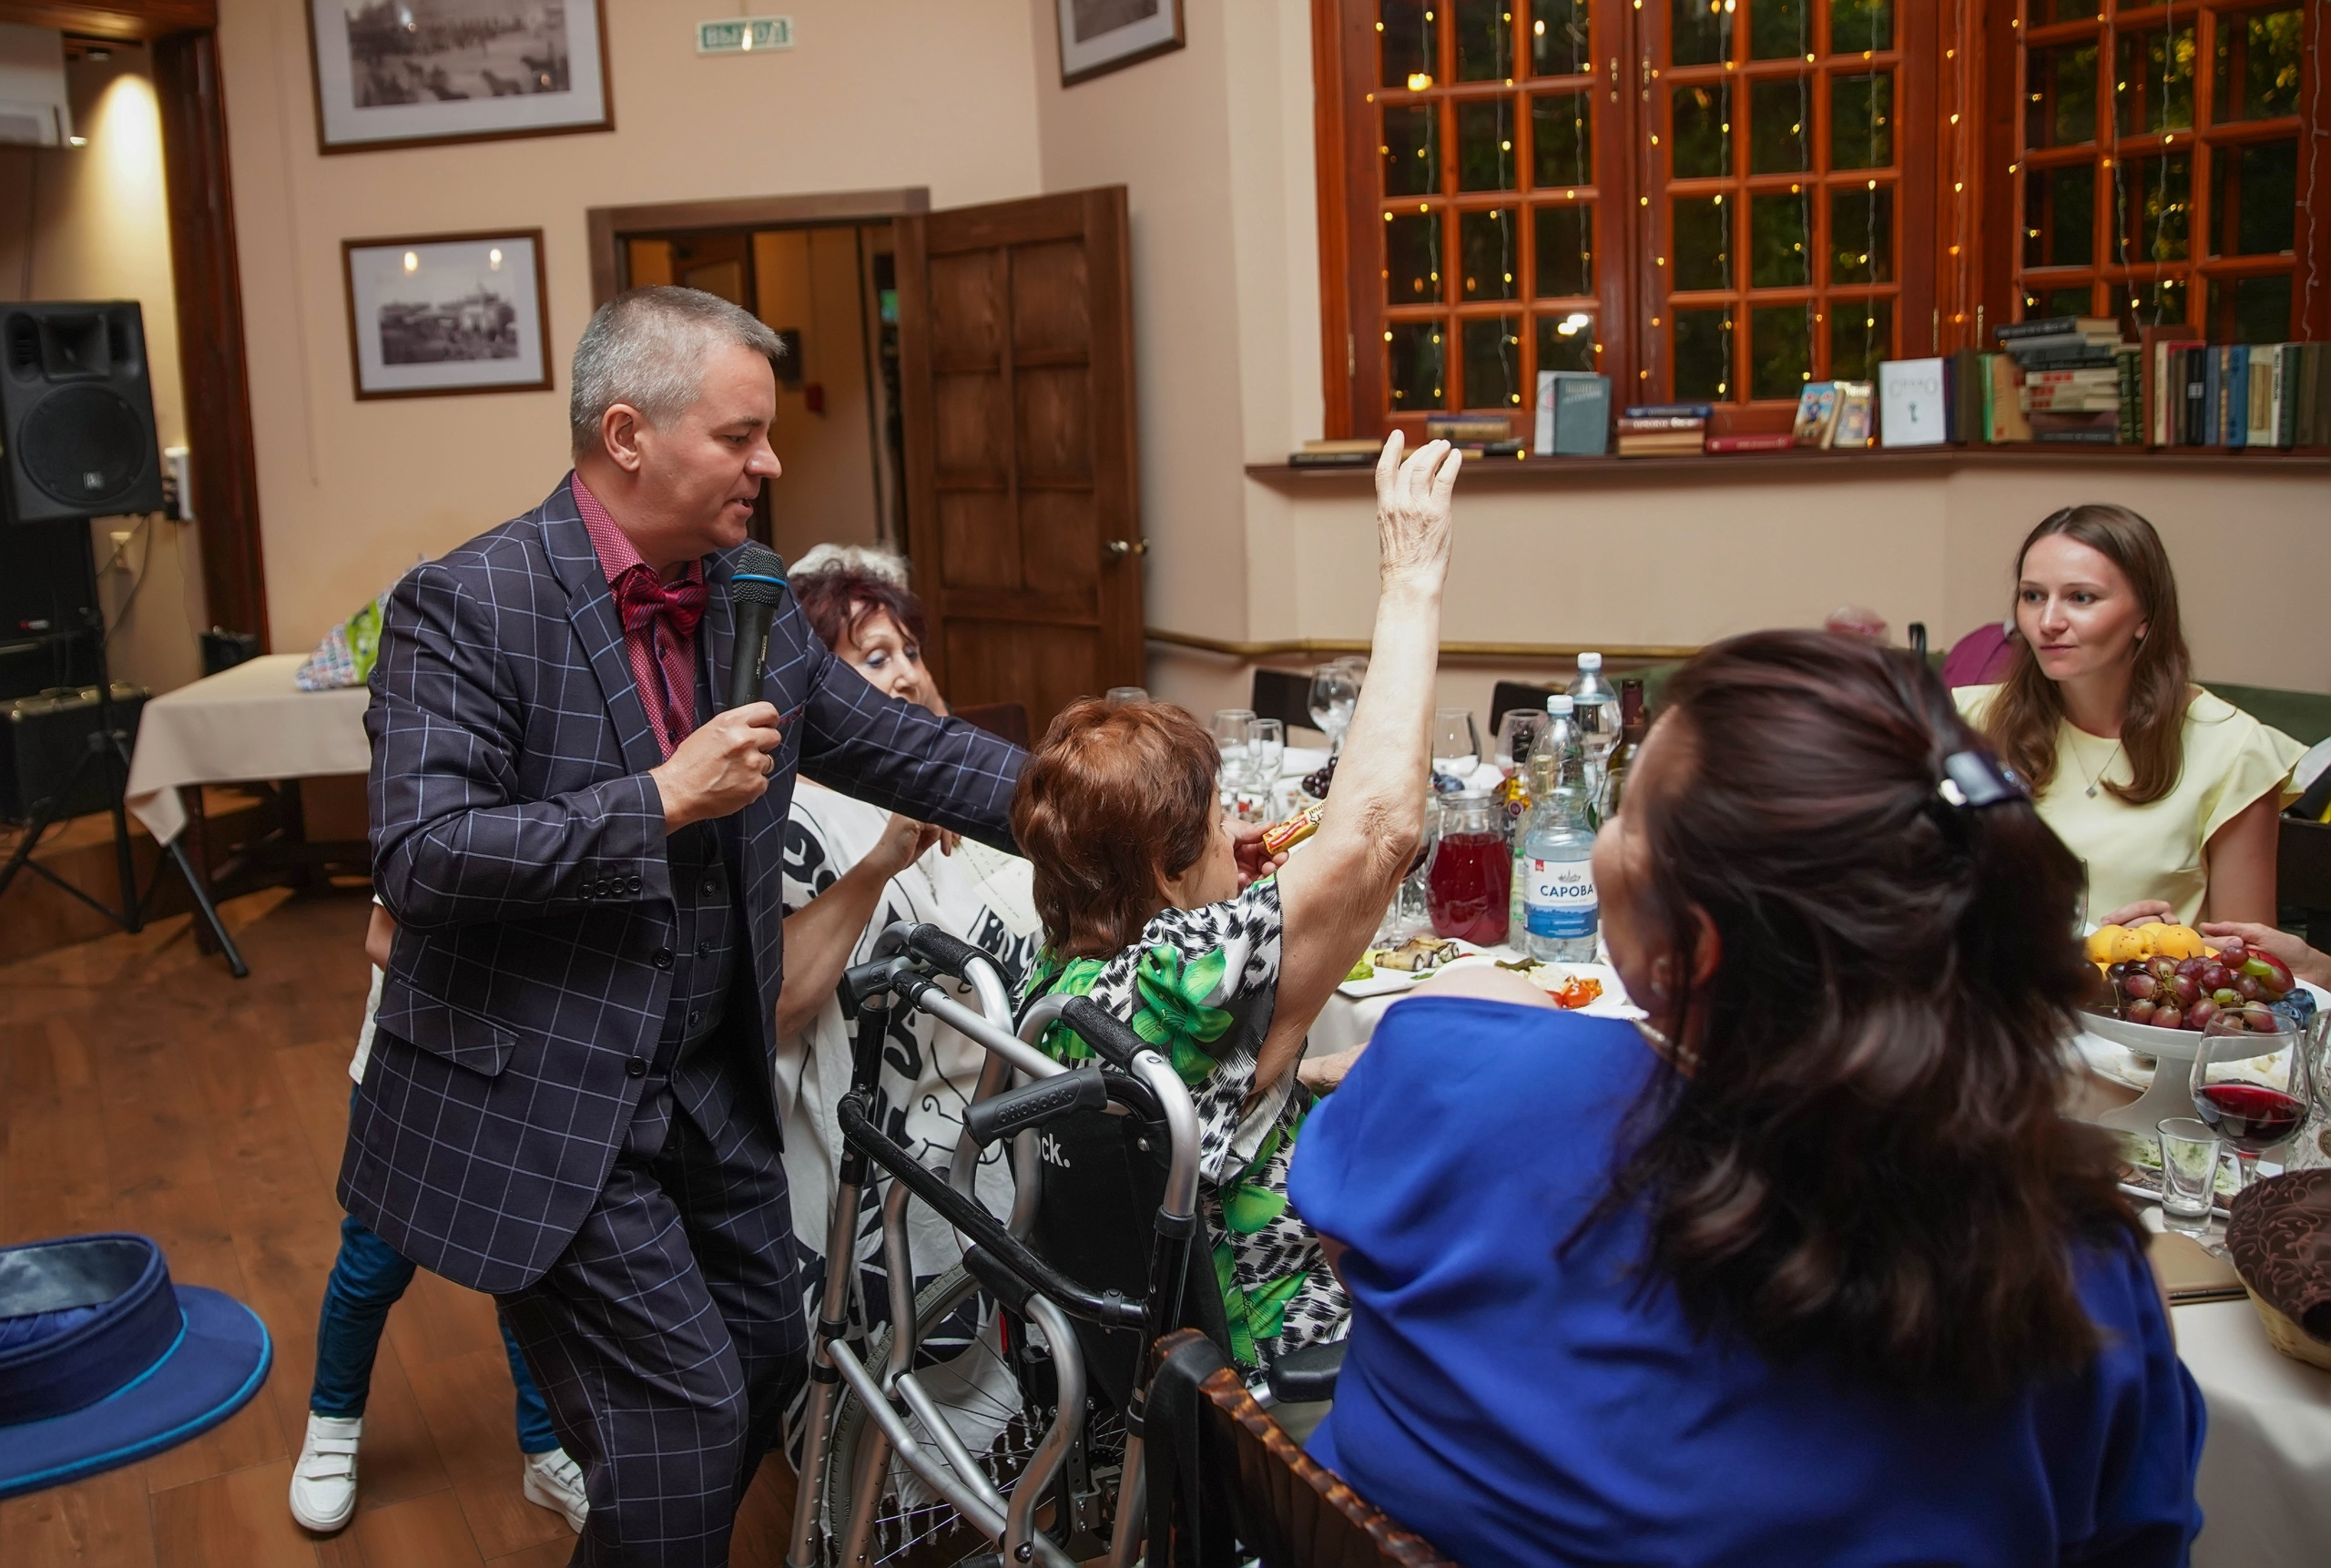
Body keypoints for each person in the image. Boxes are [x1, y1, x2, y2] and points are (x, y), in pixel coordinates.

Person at [351, 286, 1026, 1568]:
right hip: (546, 1098)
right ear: (627, 435)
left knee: (768, 1363)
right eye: (741, 436)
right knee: (684, 1422)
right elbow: (421, 855)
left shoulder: (750, 593)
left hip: (708, 1090)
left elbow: (912, 754)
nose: (772, 463)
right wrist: (659, 798)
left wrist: (1119, 810)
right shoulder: (467, 603)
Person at [1289, 630, 2204, 1567]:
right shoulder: (2077, 1268)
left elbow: (1359, 1251)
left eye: (1627, 813)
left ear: (1690, 944)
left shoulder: (1449, 1076)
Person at [1009, 433, 1460, 1370]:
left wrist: (1314, 1063)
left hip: (1156, 1345)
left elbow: (1228, 1089)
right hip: (1288, 1340)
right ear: (1168, 870)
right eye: (1218, 823)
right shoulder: (1182, 980)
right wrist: (1409, 575)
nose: (1234, 837)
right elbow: (1377, 832)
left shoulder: (1068, 978)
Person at [770, 551, 1042, 1343]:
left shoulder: (955, 790)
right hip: (894, 1157)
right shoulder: (800, 820)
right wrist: (882, 858)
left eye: (912, 654)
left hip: (1002, 1125)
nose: (907, 677)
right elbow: (779, 1001)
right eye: (874, 658)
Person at [291, 903, 586, 1536]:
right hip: (413, 1065)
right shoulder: (431, 802)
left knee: (524, 1270)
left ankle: (544, 1447)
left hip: (521, 1077)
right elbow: (382, 936)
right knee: (373, 1266)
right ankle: (332, 1426)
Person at [1957, 504, 2301, 928]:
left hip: (2145, 990)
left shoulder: (2232, 748)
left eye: (2081, 598)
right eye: (2033, 596)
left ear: (2145, 616)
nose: (2048, 621)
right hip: (1996, 991)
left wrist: (2172, 949)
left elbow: (2249, 957)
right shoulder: (1965, 721)